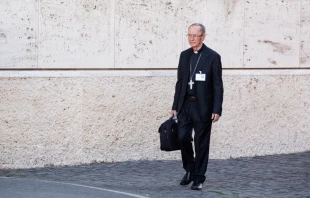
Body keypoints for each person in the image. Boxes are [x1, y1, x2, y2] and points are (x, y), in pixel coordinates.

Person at [171, 23, 224, 190]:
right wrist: (175, 106)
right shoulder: (184, 55)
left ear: (203, 37)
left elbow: (217, 85)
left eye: (195, 35)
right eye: (189, 35)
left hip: (204, 107)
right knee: (182, 137)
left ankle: (198, 177)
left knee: (201, 143)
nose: (191, 39)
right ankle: (190, 168)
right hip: (185, 105)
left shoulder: (213, 56)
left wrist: (217, 108)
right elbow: (180, 82)